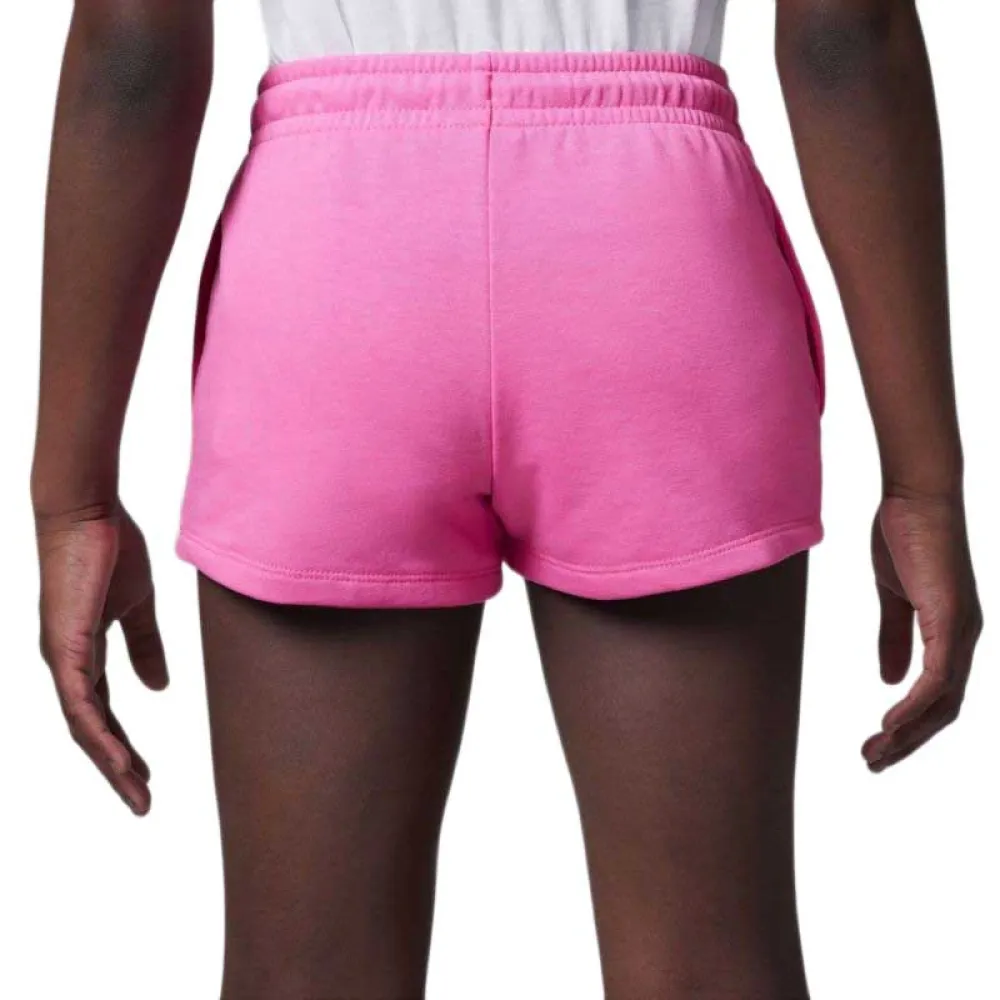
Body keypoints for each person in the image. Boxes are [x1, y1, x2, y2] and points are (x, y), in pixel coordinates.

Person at [32, 0, 983, 997]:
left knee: (305, 978)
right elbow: (846, 34)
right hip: (652, 251)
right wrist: (922, 481)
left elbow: (131, 52)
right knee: (708, 972)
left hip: (337, 264)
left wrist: (74, 495)